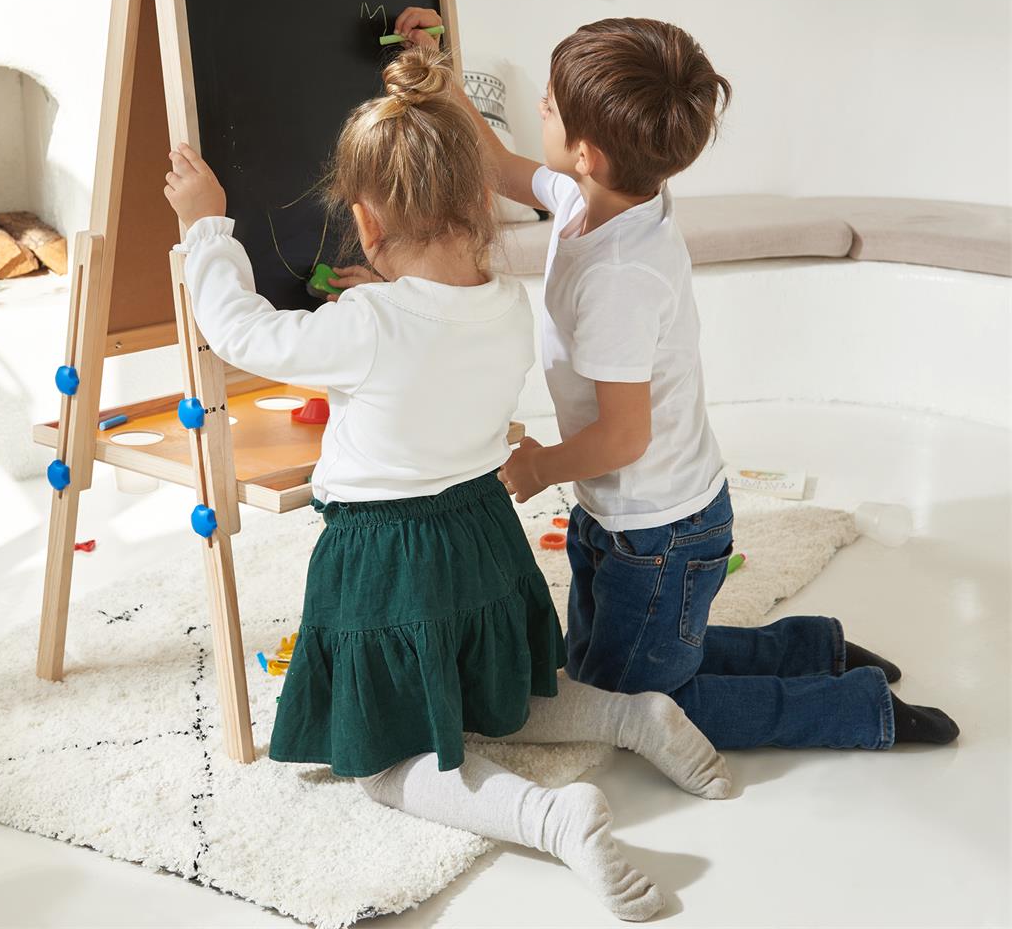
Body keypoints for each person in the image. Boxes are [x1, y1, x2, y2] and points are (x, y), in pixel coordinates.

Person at [163, 47, 731, 922]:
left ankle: (548, 818)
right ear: (477, 210)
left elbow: (244, 332)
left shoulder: (365, 325)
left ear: (366, 223)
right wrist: (384, 294)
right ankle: (631, 718)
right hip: (484, 545)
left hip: (390, 565)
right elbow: (427, 329)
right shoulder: (505, 303)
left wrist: (207, 229)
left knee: (384, 760)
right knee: (498, 696)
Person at [385, 9, 959, 752]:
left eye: (549, 106)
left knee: (636, 701)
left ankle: (856, 709)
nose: (539, 109)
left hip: (660, 530)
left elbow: (625, 436)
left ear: (586, 152)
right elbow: (496, 163)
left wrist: (540, 467)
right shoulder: (591, 196)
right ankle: (813, 647)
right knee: (600, 667)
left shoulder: (620, 277)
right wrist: (442, 76)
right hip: (627, 513)